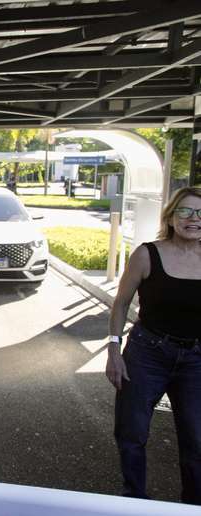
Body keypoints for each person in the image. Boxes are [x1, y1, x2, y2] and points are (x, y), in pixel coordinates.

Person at [106, 186, 201, 505]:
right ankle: (135, 500)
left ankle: (193, 505)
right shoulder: (147, 254)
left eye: (200, 213)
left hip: (195, 359)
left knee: (197, 441)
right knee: (132, 433)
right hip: (147, 353)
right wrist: (114, 351)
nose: (193, 218)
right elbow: (120, 303)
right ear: (171, 218)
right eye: (185, 211)